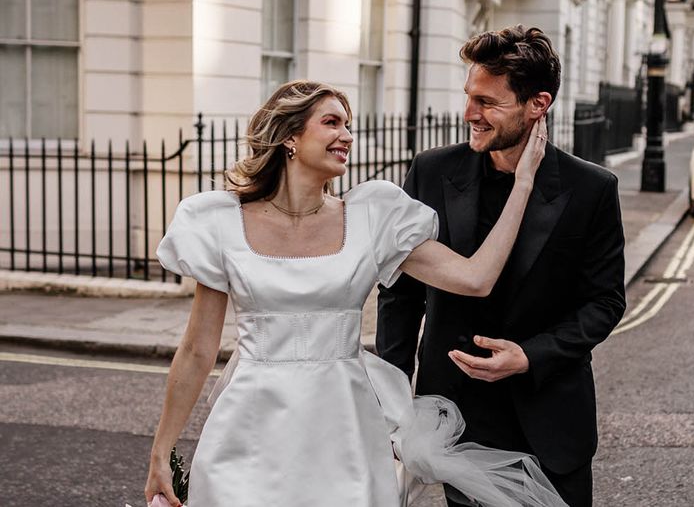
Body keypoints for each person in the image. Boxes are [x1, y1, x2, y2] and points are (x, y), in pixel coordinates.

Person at [144, 79, 563, 507]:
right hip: (249, 425)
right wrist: (161, 451)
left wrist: (523, 184)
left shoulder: (373, 216)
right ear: (290, 136)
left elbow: (477, 278)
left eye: (348, 125)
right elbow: (197, 349)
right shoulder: (219, 222)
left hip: (343, 425)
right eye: (331, 123)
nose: (347, 135)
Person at [376, 26, 627, 507]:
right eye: (470, 97)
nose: (470, 114)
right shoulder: (431, 171)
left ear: (538, 104)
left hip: (550, 417)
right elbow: (399, 294)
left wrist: (530, 355)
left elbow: (605, 302)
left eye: (487, 102)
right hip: (454, 418)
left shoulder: (592, 188)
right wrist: (393, 402)